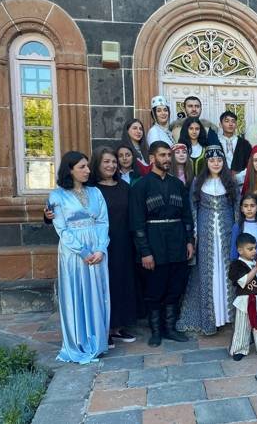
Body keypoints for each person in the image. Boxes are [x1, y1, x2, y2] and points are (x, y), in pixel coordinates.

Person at [129, 141, 194, 347]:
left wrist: (189, 241)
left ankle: (171, 329)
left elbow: (187, 215)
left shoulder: (178, 184)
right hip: (154, 243)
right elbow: (136, 222)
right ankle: (156, 331)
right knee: (154, 289)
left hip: (177, 242)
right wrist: (145, 252)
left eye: (168, 155)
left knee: (175, 287)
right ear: (152, 158)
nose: (167, 159)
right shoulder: (140, 186)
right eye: (162, 155)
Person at [48, 151, 110, 363]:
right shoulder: (56, 196)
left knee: (97, 293)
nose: (88, 170)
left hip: (97, 247)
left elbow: (103, 221)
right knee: (77, 293)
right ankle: (78, 342)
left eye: (87, 166)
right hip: (73, 251)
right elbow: (61, 228)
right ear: (70, 170)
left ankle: (98, 341)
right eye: (82, 167)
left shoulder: (95, 192)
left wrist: (100, 248)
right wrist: (83, 252)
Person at [177, 145, 237, 335]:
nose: (216, 163)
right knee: (207, 273)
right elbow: (192, 208)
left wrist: (238, 234)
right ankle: (211, 319)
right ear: (207, 162)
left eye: (219, 160)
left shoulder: (231, 182)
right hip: (205, 235)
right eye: (212, 160)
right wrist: (194, 234)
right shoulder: (198, 182)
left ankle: (228, 316)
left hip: (227, 233)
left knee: (227, 270)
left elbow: (237, 208)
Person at [89, 146, 137, 348]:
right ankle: (104, 328)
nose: (111, 165)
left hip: (123, 243)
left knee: (121, 284)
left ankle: (117, 326)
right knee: (103, 285)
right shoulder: (91, 189)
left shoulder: (125, 187)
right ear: (97, 164)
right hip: (100, 245)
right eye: (106, 162)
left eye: (114, 162)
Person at [228, 233, 257, 361]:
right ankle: (239, 349)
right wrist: (256, 267)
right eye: (250, 249)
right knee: (242, 327)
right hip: (245, 300)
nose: (254, 251)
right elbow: (244, 281)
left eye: (255, 248)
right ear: (240, 250)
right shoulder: (236, 265)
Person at [230, 193, 257, 261]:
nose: (249, 209)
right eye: (245, 206)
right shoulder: (237, 227)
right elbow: (234, 252)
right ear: (241, 209)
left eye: (252, 206)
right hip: (243, 266)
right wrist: (235, 265)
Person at [217, 110, 251, 187]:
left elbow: (251, 164)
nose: (230, 124)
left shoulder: (245, 144)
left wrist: (237, 177)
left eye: (233, 121)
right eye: (227, 121)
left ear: (236, 125)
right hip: (219, 184)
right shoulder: (216, 143)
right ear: (220, 124)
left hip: (240, 184)